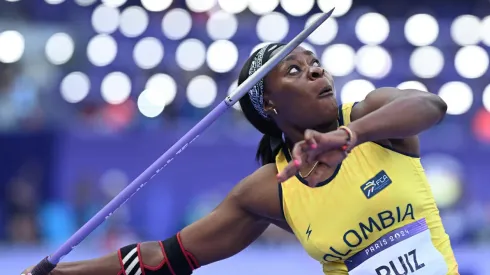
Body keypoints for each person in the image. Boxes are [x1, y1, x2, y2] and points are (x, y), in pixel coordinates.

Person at [21, 43, 458, 275]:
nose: (317, 72)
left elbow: (430, 106)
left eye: (316, 63)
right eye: (294, 70)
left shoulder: (372, 118)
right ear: (268, 105)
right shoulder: (271, 188)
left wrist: (349, 135)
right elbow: (165, 258)